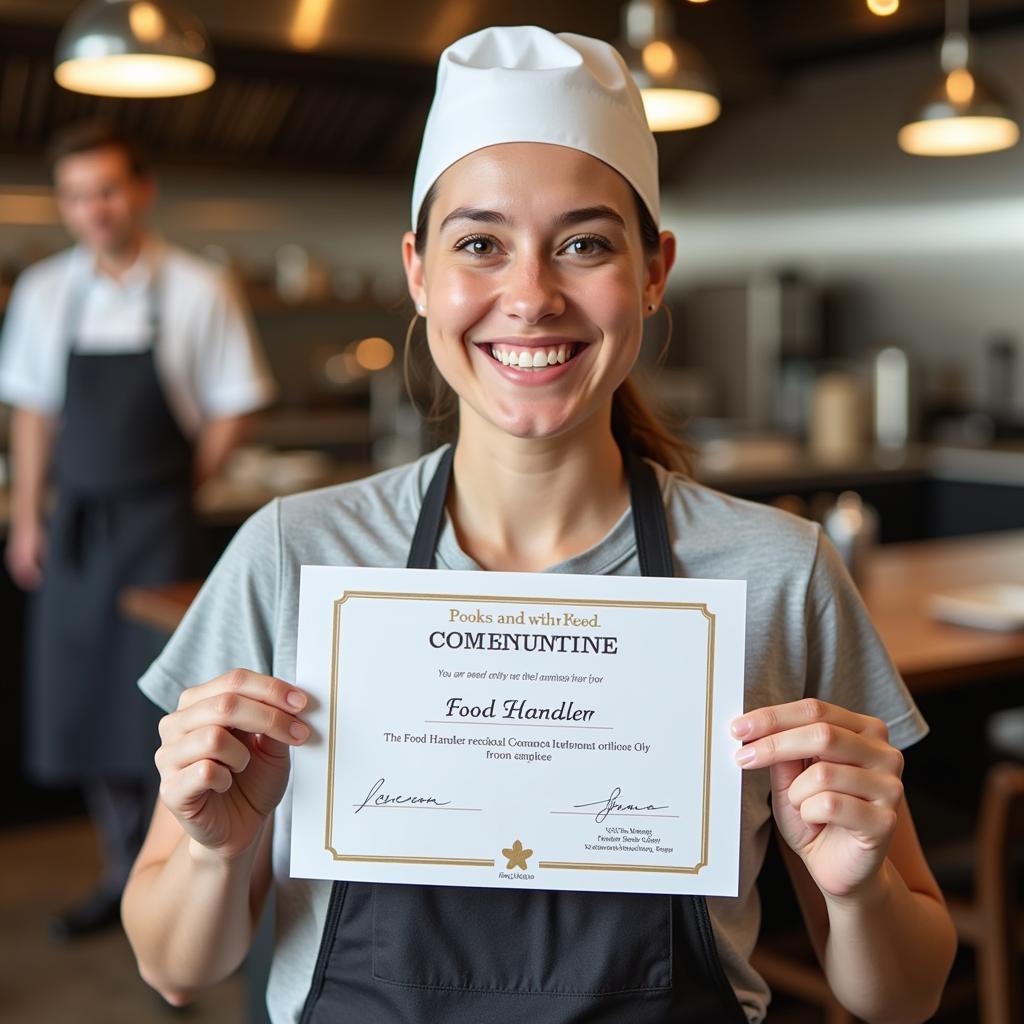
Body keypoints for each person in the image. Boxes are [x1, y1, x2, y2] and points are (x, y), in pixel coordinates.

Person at [121, 26, 955, 1023]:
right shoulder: (293, 554)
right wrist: (215, 848)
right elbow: (176, 967)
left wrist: (857, 888)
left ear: (653, 271)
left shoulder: (779, 569)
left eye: (585, 243)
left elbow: (903, 998)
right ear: (419, 273)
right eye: (479, 244)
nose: (529, 295)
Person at [0, 121, 277, 939]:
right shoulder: (48, 292)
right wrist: (26, 518)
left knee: (157, 715)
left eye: (109, 190)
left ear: (143, 191)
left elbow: (238, 403)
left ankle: (166, 895)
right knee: (82, 711)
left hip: (159, 529)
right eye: (78, 195)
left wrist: (177, 484)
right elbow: (34, 416)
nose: (95, 209)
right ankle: (120, 875)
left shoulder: (198, 286)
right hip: (77, 527)